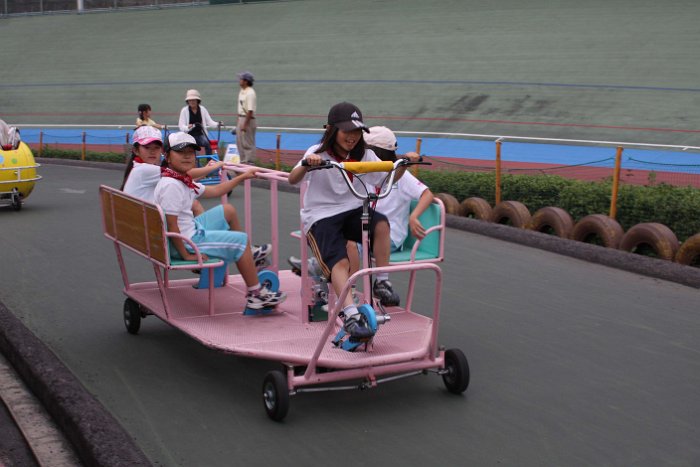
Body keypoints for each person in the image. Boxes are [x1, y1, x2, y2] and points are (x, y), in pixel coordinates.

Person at [288, 102, 416, 339]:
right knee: (340, 261)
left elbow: (385, 179)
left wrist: (403, 165)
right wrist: (307, 164)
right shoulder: (317, 151)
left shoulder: (364, 154)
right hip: (320, 215)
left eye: (357, 131)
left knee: (381, 225)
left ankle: (382, 282)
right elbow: (292, 179)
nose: (353, 137)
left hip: (352, 210)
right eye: (347, 131)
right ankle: (350, 315)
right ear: (331, 130)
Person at [154, 132, 285, 310]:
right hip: (186, 242)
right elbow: (172, 225)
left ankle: (248, 254)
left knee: (227, 210)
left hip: (188, 233)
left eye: (190, 152)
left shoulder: (179, 179)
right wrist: (186, 255)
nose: (186, 156)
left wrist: (242, 177)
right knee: (241, 241)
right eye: (180, 152)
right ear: (168, 157)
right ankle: (256, 295)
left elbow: (216, 191)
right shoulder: (172, 185)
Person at [120, 127, 271, 265]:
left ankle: (238, 249)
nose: (152, 152)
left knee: (213, 207)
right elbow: (188, 174)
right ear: (136, 150)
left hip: (151, 232)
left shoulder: (145, 171)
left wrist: (241, 176)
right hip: (160, 237)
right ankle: (236, 250)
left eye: (156, 147)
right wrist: (213, 167)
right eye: (147, 147)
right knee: (199, 208)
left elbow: (193, 180)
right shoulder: (145, 171)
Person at [365, 126, 434, 251]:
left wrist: (413, 217)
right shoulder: (366, 173)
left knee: (356, 246)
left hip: (391, 235)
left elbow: (427, 194)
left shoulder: (401, 174)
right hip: (368, 230)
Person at [178, 89, 221, 156]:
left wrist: (218, 124)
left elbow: (210, 122)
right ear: (187, 101)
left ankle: (209, 161)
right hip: (189, 136)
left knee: (208, 144)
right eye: (190, 100)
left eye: (193, 100)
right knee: (194, 150)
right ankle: (195, 162)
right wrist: (187, 127)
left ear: (197, 101)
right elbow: (181, 126)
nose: (192, 102)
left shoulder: (203, 109)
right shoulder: (184, 110)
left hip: (201, 135)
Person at [235, 71, 257, 164]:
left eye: (241, 79)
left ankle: (250, 162)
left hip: (248, 119)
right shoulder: (242, 91)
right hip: (242, 118)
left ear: (246, 81)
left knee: (247, 143)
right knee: (240, 142)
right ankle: (243, 162)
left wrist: (245, 124)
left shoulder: (250, 93)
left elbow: (250, 111)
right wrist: (239, 120)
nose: (239, 80)